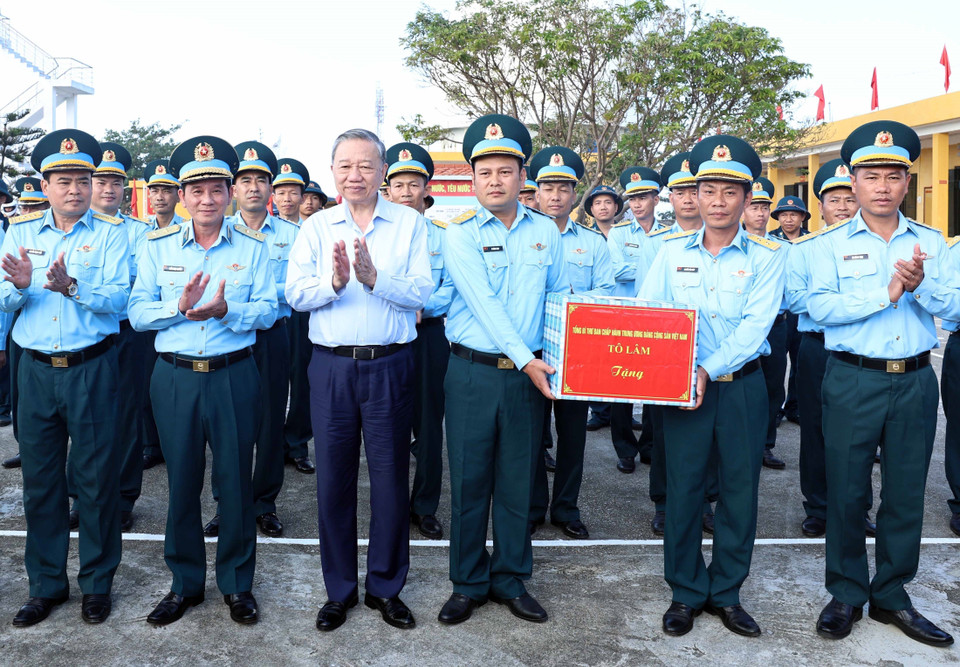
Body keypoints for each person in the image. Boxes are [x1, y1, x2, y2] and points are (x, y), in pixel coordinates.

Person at [810, 121, 957, 647]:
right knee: (847, 490)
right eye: (870, 175)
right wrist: (886, 293)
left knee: (905, 492)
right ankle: (846, 591)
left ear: (907, 182)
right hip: (853, 379)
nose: (882, 186)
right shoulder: (825, 244)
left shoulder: (933, 243)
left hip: (916, 380)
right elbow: (819, 307)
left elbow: (957, 307)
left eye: (893, 175)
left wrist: (921, 290)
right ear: (852, 180)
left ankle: (892, 593)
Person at [285, 128, 431, 632]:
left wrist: (374, 279)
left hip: (389, 364)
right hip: (330, 367)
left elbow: (420, 293)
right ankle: (339, 589)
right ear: (333, 172)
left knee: (390, 479)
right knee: (334, 480)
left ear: (382, 171)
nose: (355, 175)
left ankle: (386, 587)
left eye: (366, 166)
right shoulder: (317, 227)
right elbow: (296, 295)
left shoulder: (409, 224)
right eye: (345, 166)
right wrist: (336, 283)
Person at [639, 135, 785, 638]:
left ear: (747, 198)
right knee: (683, 491)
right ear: (694, 196)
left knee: (740, 492)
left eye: (730, 191)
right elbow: (651, 316)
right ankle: (684, 591)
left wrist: (707, 367)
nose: (718, 201)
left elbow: (755, 326)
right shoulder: (668, 253)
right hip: (681, 389)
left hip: (741, 387)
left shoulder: (768, 256)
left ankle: (726, 591)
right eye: (708, 190)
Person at [129, 135, 277, 626]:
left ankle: (237, 585)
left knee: (235, 484)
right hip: (174, 380)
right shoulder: (157, 245)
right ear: (183, 196)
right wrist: (178, 307)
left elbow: (271, 311)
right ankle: (185, 584)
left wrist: (228, 309)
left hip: (234, 376)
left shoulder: (254, 247)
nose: (207, 199)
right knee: (182, 484)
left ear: (231, 191)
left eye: (217, 189)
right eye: (197, 191)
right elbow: (137, 313)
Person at [436, 114, 567, 626]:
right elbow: (484, 305)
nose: (496, 180)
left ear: (522, 176)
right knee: (470, 482)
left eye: (506, 171)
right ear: (472, 179)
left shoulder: (545, 233)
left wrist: (562, 357)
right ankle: (467, 582)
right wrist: (529, 359)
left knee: (518, 482)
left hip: (530, 377)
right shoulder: (459, 233)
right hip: (472, 373)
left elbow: (558, 297)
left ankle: (511, 579)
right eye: (485, 171)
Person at [1, 130, 129, 626]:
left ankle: (97, 584)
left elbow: (120, 303)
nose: (74, 189)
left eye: (82, 180)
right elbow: (4, 299)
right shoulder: (20, 233)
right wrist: (20, 287)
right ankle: (46, 586)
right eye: (62, 181)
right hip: (33, 370)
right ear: (46, 185)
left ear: (93, 183)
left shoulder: (112, 234)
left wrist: (72, 286)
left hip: (91, 368)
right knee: (41, 484)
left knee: (96, 484)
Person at [201, 141, 298, 539]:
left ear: (271, 189)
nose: (254, 187)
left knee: (271, 420)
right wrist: (250, 297)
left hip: (273, 334)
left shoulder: (292, 234)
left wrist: (250, 297)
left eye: (262, 180)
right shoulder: (216, 233)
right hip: (228, 336)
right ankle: (227, 503)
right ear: (232, 190)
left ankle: (264, 502)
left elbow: (296, 288)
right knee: (228, 425)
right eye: (246, 180)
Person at [65, 142, 153, 533]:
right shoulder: (67, 228)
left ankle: (122, 496)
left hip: (127, 333)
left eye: (117, 182)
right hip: (83, 334)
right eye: (100, 181)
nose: (108, 189)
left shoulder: (140, 233)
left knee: (125, 418)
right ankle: (81, 497)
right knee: (81, 419)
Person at [785, 159, 874, 539]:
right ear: (819, 207)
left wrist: (839, 301)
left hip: (862, 350)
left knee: (861, 434)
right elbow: (795, 298)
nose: (842, 206)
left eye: (848, 199)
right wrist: (855, 300)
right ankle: (818, 507)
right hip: (818, 349)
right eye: (833, 200)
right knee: (816, 431)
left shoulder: (874, 246)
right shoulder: (805, 249)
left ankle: (856, 508)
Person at [528, 145, 613, 540]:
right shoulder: (521, 236)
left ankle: (565, 507)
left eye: (564, 187)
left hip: (577, 352)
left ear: (575, 193)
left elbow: (607, 292)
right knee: (528, 434)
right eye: (548, 187)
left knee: (573, 435)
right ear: (536, 189)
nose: (555, 196)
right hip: (528, 350)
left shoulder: (593, 243)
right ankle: (531, 507)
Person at [642, 153, 716, 537]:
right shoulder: (659, 243)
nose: (689, 198)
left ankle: (703, 503)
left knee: (710, 441)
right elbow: (647, 302)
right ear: (670, 196)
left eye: (694, 190)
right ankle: (664, 503)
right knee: (666, 436)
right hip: (667, 357)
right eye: (682, 191)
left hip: (714, 358)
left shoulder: (727, 238)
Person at [385, 141, 453, 540]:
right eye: (399, 184)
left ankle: (424, 505)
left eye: (414, 184)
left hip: (428, 337)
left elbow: (452, 287)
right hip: (390, 338)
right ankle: (392, 505)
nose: (406, 192)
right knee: (388, 424)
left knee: (429, 428)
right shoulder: (377, 234)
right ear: (388, 190)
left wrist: (422, 308)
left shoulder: (444, 236)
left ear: (426, 189)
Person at [602, 168, 665, 473]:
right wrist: (656, 267)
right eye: (632, 199)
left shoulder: (669, 233)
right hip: (625, 314)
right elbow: (616, 270)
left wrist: (636, 266)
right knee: (621, 382)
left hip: (658, 315)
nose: (637, 204)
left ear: (656, 198)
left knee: (657, 383)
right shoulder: (619, 233)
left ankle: (650, 445)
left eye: (643, 197)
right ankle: (625, 449)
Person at [273, 158, 316, 474]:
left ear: (303, 196)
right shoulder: (256, 230)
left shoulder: (314, 231)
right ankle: (272, 444)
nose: (288, 199)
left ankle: (297, 445)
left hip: (303, 315)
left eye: (293, 192)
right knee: (271, 385)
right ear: (273, 196)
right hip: (272, 317)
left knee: (303, 382)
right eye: (282, 192)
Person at [140, 159, 181, 471]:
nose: (159, 196)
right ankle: (152, 443)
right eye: (154, 190)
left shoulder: (186, 232)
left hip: (178, 320)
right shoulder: (139, 234)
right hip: (145, 319)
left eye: (166, 190)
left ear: (178, 195)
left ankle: (176, 442)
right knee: (144, 388)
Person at [769, 194, 810, 432]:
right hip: (780, 311)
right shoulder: (772, 241)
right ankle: (775, 411)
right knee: (776, 366)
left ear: (803, 217)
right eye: (783, 215)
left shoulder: (812, 240)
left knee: (800, 362)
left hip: (802, 311)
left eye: (793, 214)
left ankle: (795, 406)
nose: (788, 219)